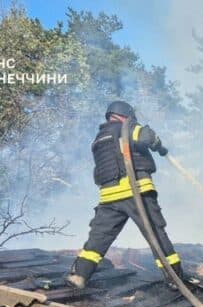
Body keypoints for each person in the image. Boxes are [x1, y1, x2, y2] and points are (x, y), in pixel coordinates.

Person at [65, 100, 183, 289]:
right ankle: (175, 278)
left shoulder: (99, 138)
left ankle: (79, 275)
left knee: (98, 237)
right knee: (156, 234)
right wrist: (158, 144)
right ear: (127, 115)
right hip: (136, 191)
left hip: (109, 197)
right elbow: (147, 137)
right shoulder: (127, 128)